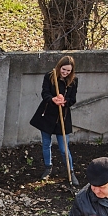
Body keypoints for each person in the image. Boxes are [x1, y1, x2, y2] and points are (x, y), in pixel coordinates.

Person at [29, 55, 79, 186]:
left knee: (64, 148)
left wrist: (65, 101)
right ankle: (48, 167)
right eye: (64, 69)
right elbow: (45, 93)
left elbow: (73, 99)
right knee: (46, 144)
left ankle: (70, 171)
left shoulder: (73, 81)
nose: (65, 73)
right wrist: (52, 99)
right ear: (59, 67)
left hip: (63, 117)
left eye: (68, 71)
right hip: (47, 116)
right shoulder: (50, 77)